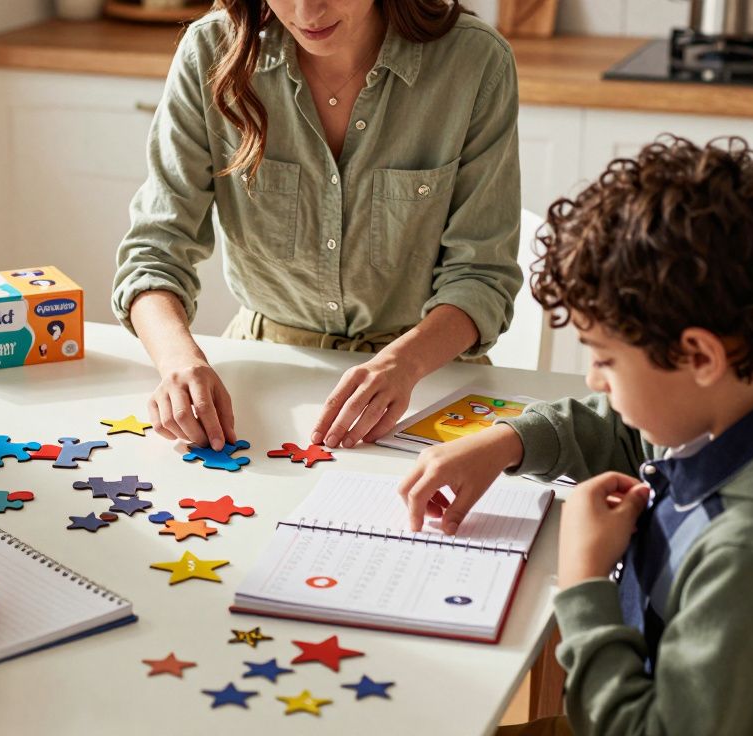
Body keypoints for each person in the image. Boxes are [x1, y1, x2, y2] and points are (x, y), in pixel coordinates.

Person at [398, 137, 753, 734]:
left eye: (606, 360)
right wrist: (509, 441)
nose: (592, 379)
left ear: (699, 356)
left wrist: (583, 584)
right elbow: (640, 437)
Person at [112, 0, 521, 452]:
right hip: (267, 370)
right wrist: (178, 362)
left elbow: (481, 275)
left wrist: (402, 364)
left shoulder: (473, 60)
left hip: (429, 377)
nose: (307, 11)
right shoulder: (210, 51)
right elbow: (154, 251)